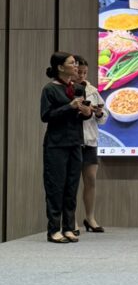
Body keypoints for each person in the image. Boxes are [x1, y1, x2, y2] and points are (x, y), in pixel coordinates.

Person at [40, 53, 91, 243]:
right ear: (60, 67)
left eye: (76, 63)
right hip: (56, 144)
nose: (76, 66)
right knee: (55, 187)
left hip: (75, 142)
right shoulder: (50, 89)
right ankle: (54, 230)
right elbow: (46, 116)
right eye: (72, 63)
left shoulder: (78, 88)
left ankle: (69, 227)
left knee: (71, 186)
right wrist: (69, 107)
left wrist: (86, 112)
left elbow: (82, 116)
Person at [74, 56, 107, 234]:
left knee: (91, 180)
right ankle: (71, 220)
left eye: (84, 72)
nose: (81, 75)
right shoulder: (66, 90)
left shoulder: (93, 90)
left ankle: (90, 218)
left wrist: (99, 113)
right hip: (72, 141)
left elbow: (103, 119)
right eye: (78, 72)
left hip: (90, 141)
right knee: (71, 182)